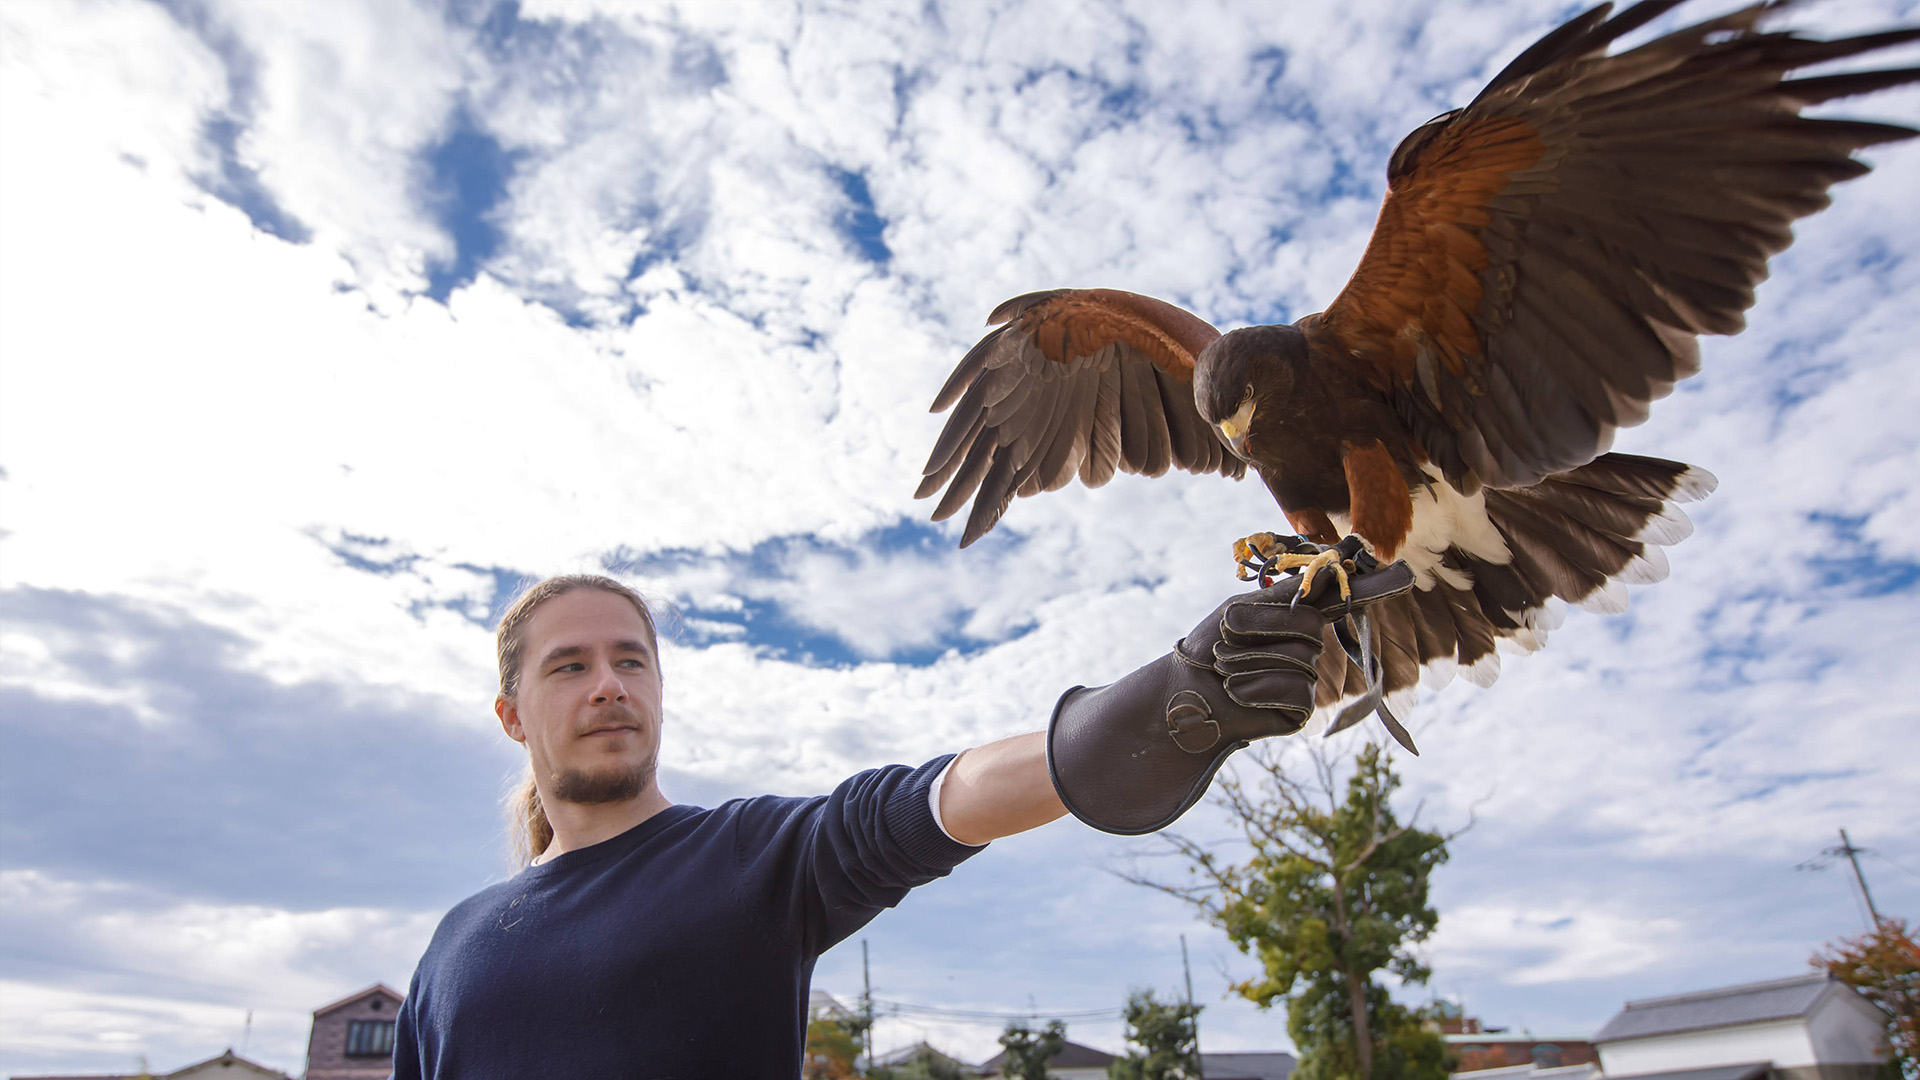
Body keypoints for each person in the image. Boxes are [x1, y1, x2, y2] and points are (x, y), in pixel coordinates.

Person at [390, 560, 1411, 1077]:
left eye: (631, 659)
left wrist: (1142, 715)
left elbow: (922, 806)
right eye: (570, 666)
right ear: (512, 713)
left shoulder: (744, 861)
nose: (608, 684)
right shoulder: (454, 947)